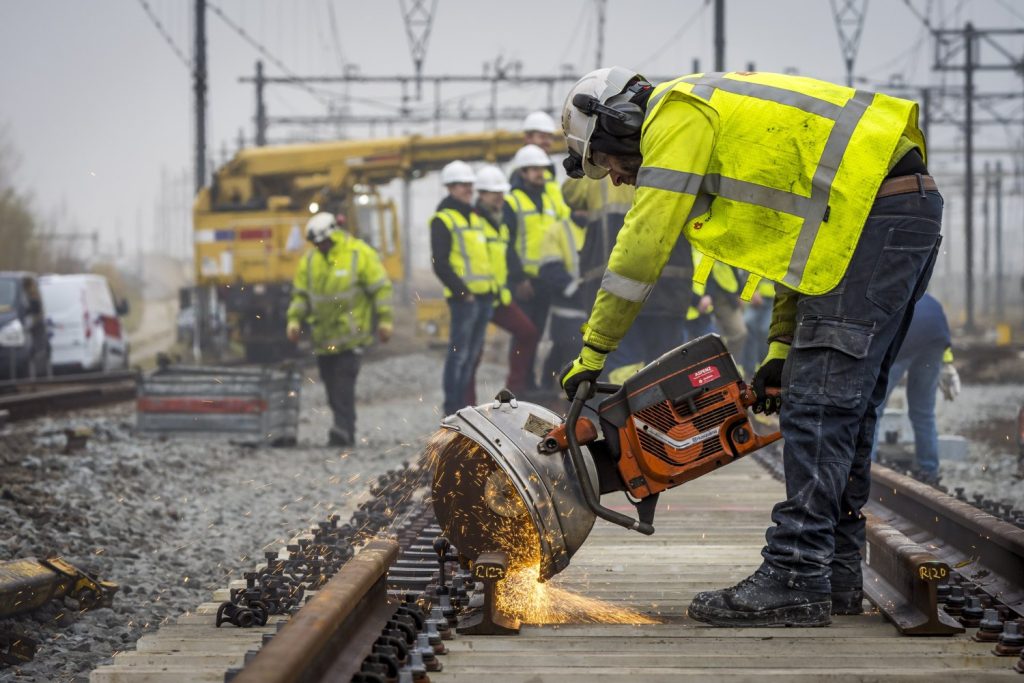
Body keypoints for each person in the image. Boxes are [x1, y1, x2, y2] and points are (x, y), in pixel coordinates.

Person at [558, 67, 942, 627]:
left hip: (876, 217)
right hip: (885, 214)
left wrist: (593, 354)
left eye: (609, 164)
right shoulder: (717, 119)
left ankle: (795, 573)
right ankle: (831, 568)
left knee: (819, 404)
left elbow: (642, 248)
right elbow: (802, 247)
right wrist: (783, 346)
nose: (616, 180)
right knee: (844, 404)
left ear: (618, 125)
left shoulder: (676, 116)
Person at [563, 175, 695, 381]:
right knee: (666, 369)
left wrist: (589, 159)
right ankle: (658, 412)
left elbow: (571, 194)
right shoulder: (675, 162)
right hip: (667, 290)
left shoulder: (600, 168)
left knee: (622, 372)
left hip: (614, 294)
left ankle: (629, 411)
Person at [286, 212, 392, 447]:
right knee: (331, 383)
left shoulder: (359, 254)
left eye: (323, 242)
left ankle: (343, 430)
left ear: (334, 235)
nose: (321, 246)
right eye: (317, 244)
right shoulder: (311, 261)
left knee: (344, 382)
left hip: (352, 336)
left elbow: (380, 288)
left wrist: (385, 321)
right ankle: (342, 425)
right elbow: (301, 296)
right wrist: (294, 321)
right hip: (324, 339)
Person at [873, 293, 960, 484]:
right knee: (923, 412)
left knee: (874, 408)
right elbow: (940, 333)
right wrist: (947, 364)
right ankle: (929, 471)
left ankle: (867, 468)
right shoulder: (929, 300)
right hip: (934, 342)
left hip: (905, 341)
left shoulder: (889, 295)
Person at [430, 161, 495, 415]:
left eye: (469, 184)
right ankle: (452, 408)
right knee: (458, 355)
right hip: (465, 300)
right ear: (450, 187)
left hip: (484, 297)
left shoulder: (475, 216)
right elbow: (440, 263)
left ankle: (463, 408)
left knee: (471, 356)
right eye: (461, 185)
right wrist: (462, 292)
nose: (467, 189)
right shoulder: (443, 219)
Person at [472, 164, 539, 397]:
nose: (500, 197)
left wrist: (517, 279)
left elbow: (506, 255)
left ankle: (514, 390)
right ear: (480, 194)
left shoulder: (499, 221)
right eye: (494, 193)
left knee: (528, 332)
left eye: (502, 192)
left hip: (499, 297)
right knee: (472, 353)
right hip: (477, 298)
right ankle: (465, 404)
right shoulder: (473, 221)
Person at [503, 144, 561, 389]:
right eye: (533, 169)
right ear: (522, 172)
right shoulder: (512, 202)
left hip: (545, 280)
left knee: (537, 334)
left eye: (542, 168)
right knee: (523, 334)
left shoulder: (549, 199)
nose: (540, 173)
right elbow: (505, 243)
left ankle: (531, 383)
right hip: (523, 281)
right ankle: (520, 383)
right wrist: (517, 279)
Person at [519, 111, 572, 220]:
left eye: (550, 137)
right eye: (542, 137)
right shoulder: (519, 170)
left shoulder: (548, 173)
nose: (548, 142)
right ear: (528, 138)